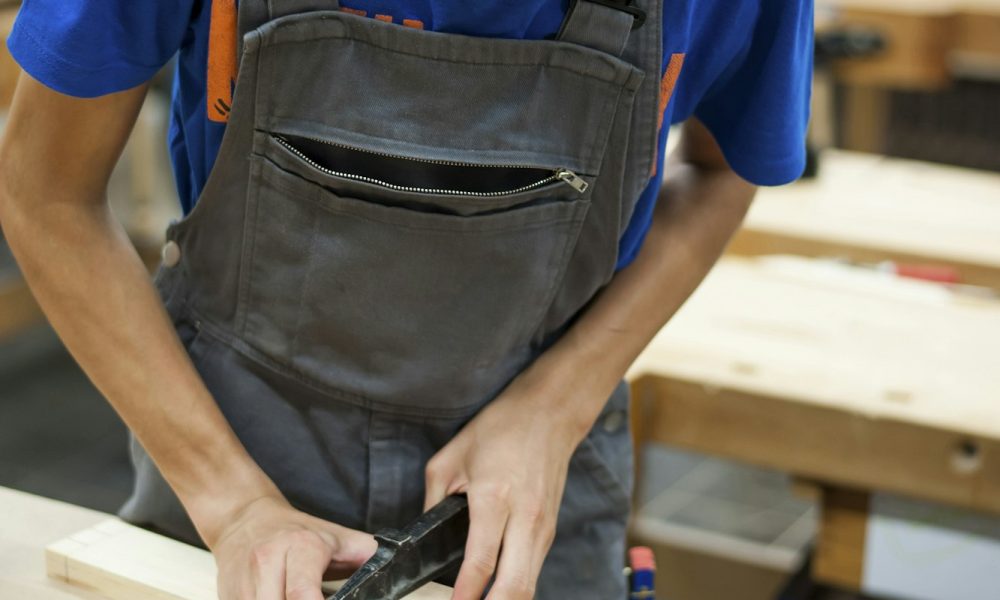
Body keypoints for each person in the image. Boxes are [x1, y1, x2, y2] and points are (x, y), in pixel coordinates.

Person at [0, 1, 812, 598]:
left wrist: (553, 409)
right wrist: (235, 502)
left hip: (529, 469)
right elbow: (45, 191)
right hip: (229, 436)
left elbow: (722, 167)